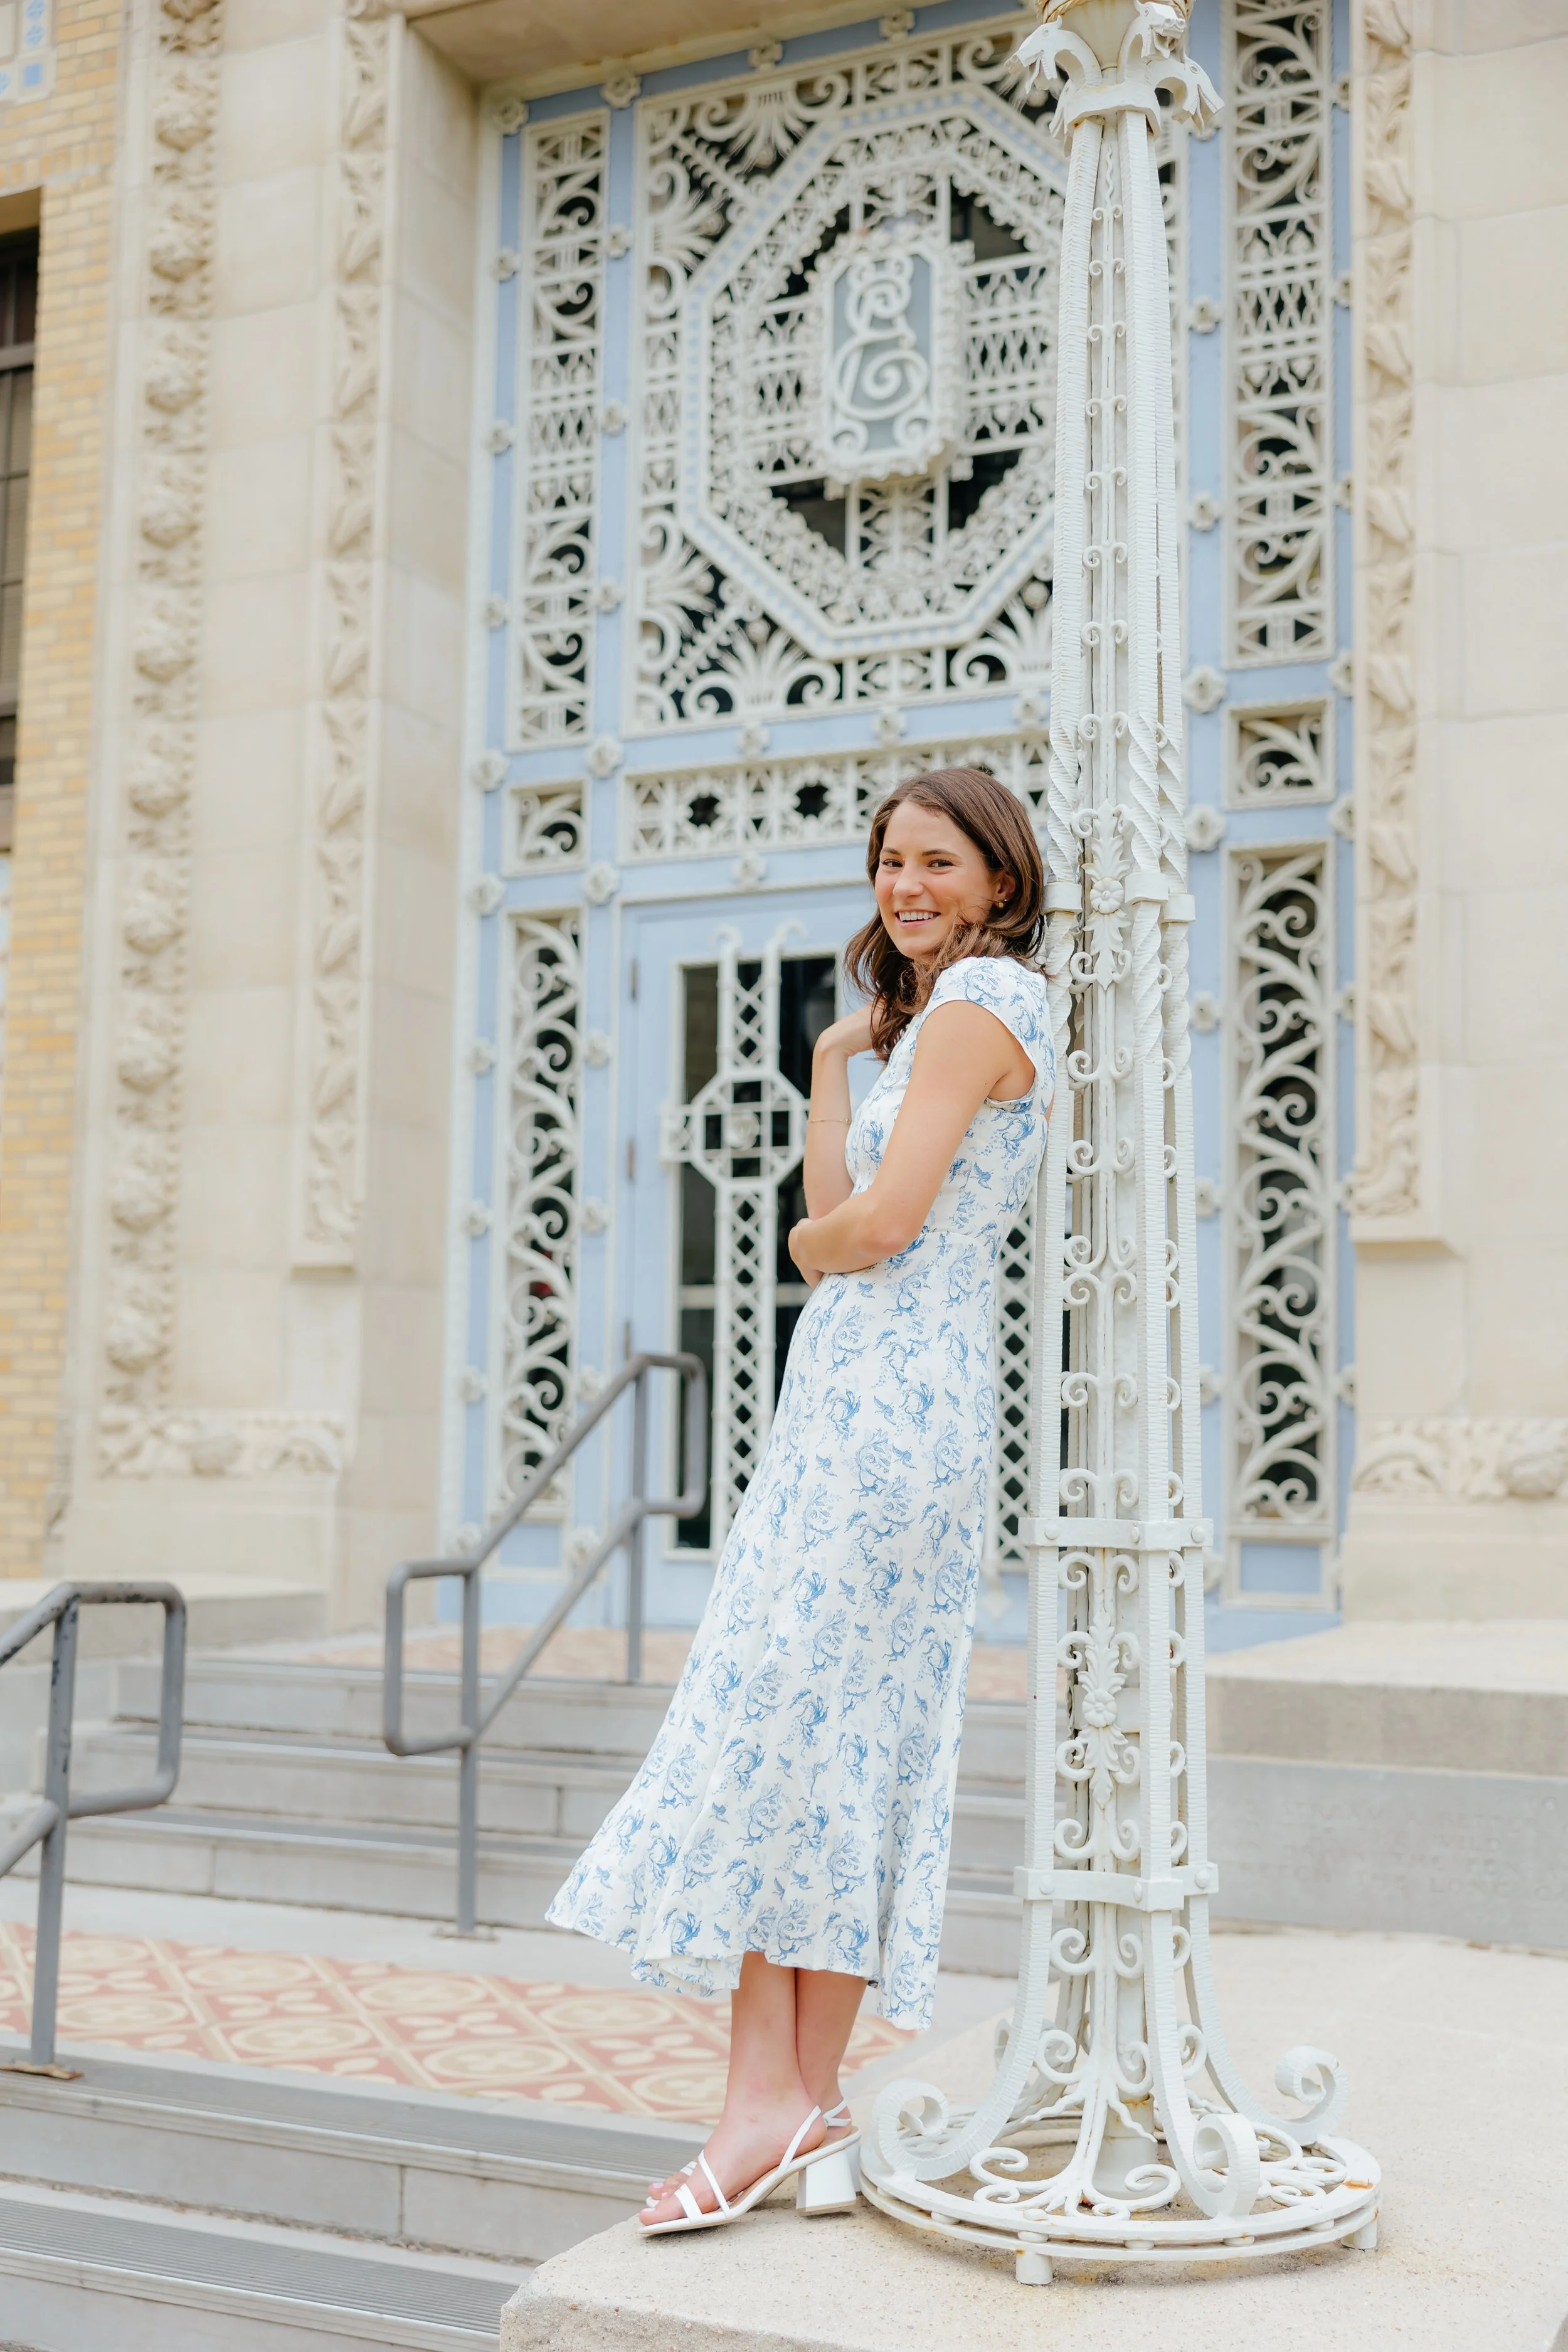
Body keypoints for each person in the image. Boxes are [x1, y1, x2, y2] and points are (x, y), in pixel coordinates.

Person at [547, 766, 1054, 2235]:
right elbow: (850, 1188)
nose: (905, 886)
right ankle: (798, 2105)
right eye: (889, 861)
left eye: (938, 863)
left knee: (799, 1738)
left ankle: (760, 2107)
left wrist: (801, 1237)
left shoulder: (983, 1007)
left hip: (886, 1417)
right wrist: (838, 1059)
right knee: (827, 1746)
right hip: (868, 1407)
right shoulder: (933, 1023)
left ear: (1001, 880)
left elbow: (866, 1226)